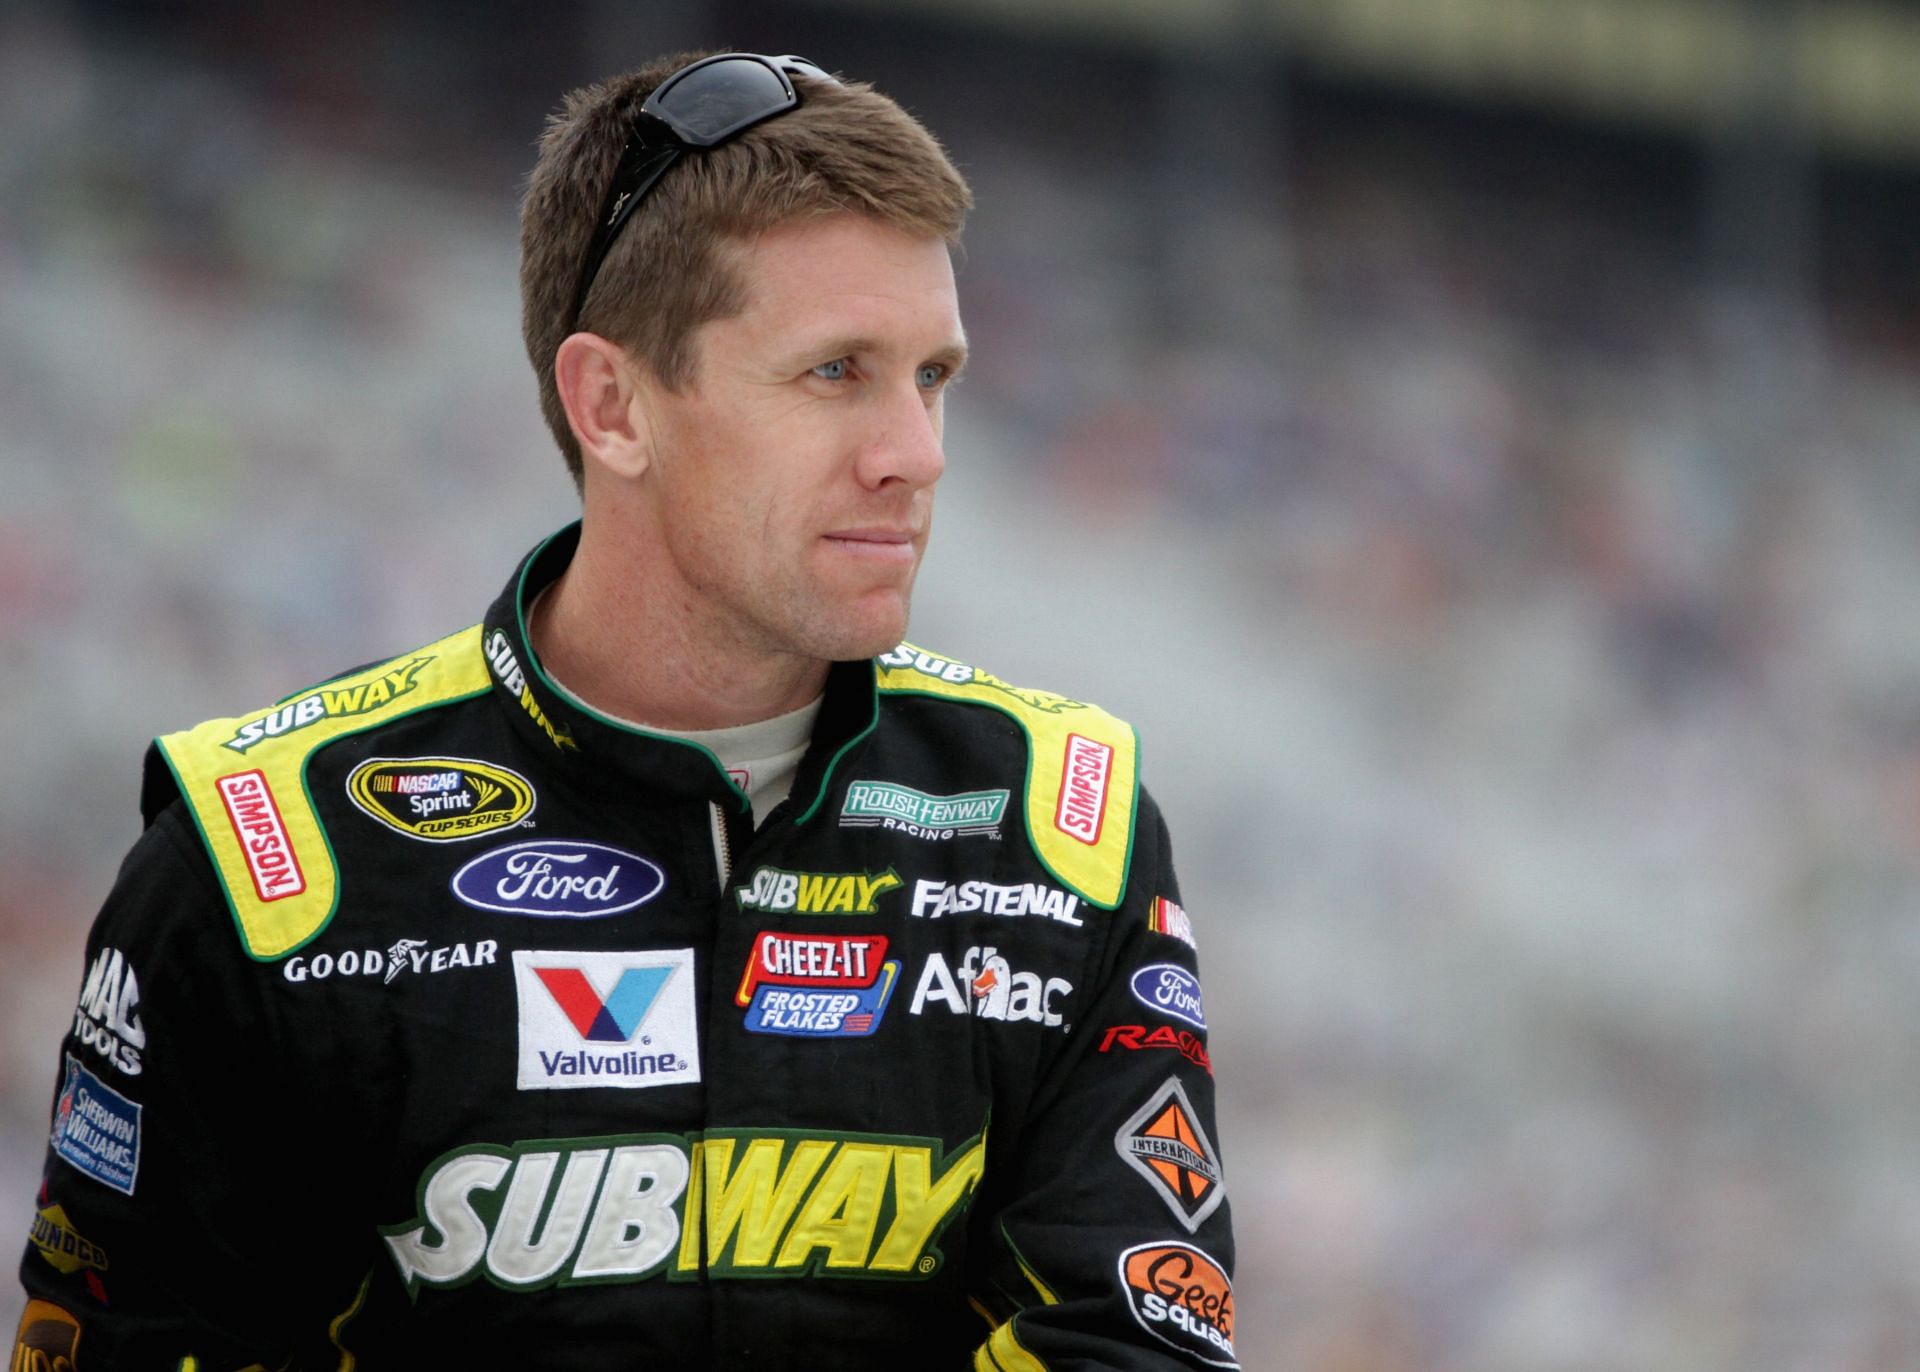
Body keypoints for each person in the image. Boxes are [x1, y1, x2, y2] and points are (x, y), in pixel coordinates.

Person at [15, 49, 1236, 1370]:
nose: (916, 454)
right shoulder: (263, 857)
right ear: (612, 405)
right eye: (837, 372)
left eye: (931, 376)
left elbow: (1136, 1347)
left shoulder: (1066, 825)